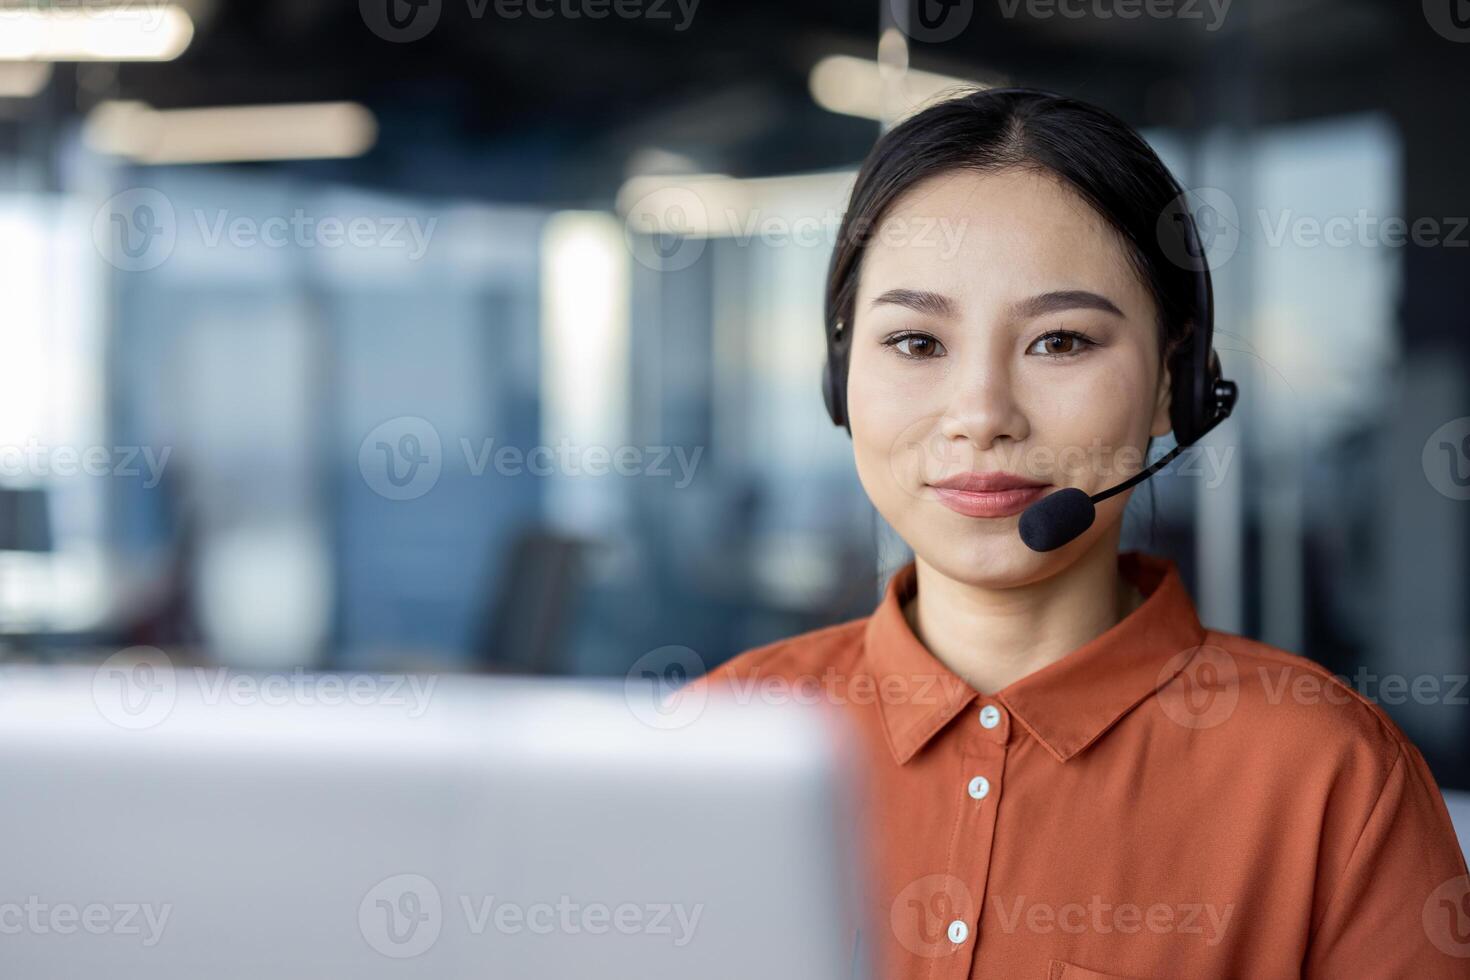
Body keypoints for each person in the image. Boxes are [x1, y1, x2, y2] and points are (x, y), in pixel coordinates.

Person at [691, 88, 1470, 978]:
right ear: (841, 376)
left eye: (1060, 342)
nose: (981, 415)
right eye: (915, 342)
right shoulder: (716, 742)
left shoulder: (1332, 780)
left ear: (1175, 384)